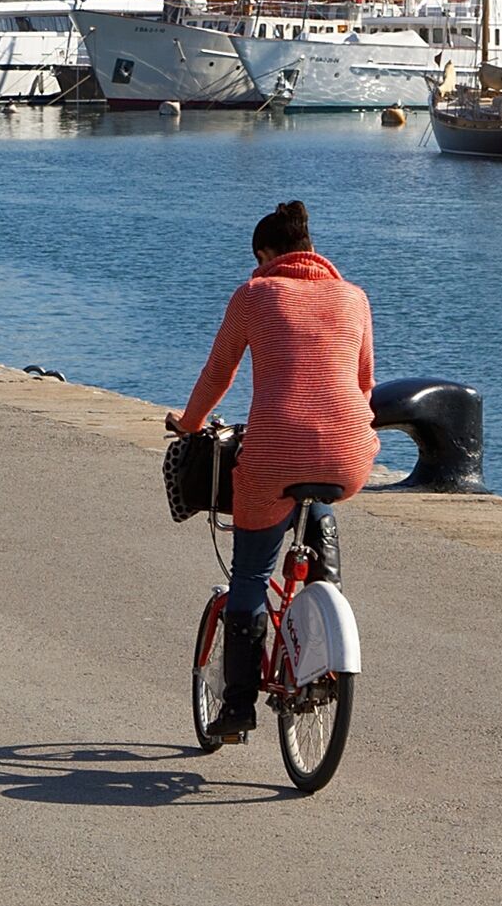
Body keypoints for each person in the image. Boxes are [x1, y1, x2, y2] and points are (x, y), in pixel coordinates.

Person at [169, 199, 376, 748]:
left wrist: (190, 424)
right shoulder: (355, 298)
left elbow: (220, 372)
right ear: (311, 250)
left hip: (273, 455)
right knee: (318, 498)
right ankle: (323, 597)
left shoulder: (256, 294)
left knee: (252, 577)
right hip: (348, 453)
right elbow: (363, 385)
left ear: (266, 255)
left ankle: (238, 704)